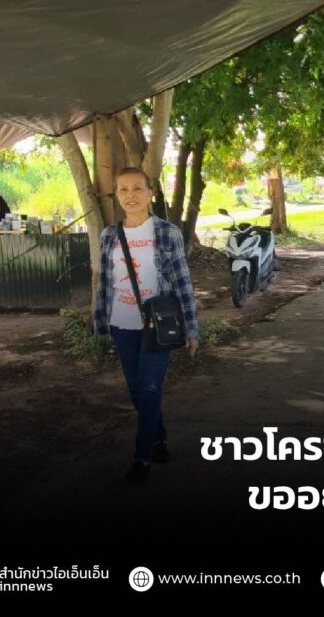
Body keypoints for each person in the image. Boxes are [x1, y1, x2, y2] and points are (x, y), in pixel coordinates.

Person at [93, 167, 200, 485]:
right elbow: (104, 283)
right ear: (116, 195)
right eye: (123, 189)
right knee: (136, 391)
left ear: (150, 193)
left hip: (158, 325)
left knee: (150, 387)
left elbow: (182, 282)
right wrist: (100, 323)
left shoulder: (167, 232)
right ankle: (158, 438)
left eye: (138, 188)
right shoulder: (109, 235)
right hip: (121, 324)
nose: (131, 195)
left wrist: (191, 327)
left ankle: (142, 457)